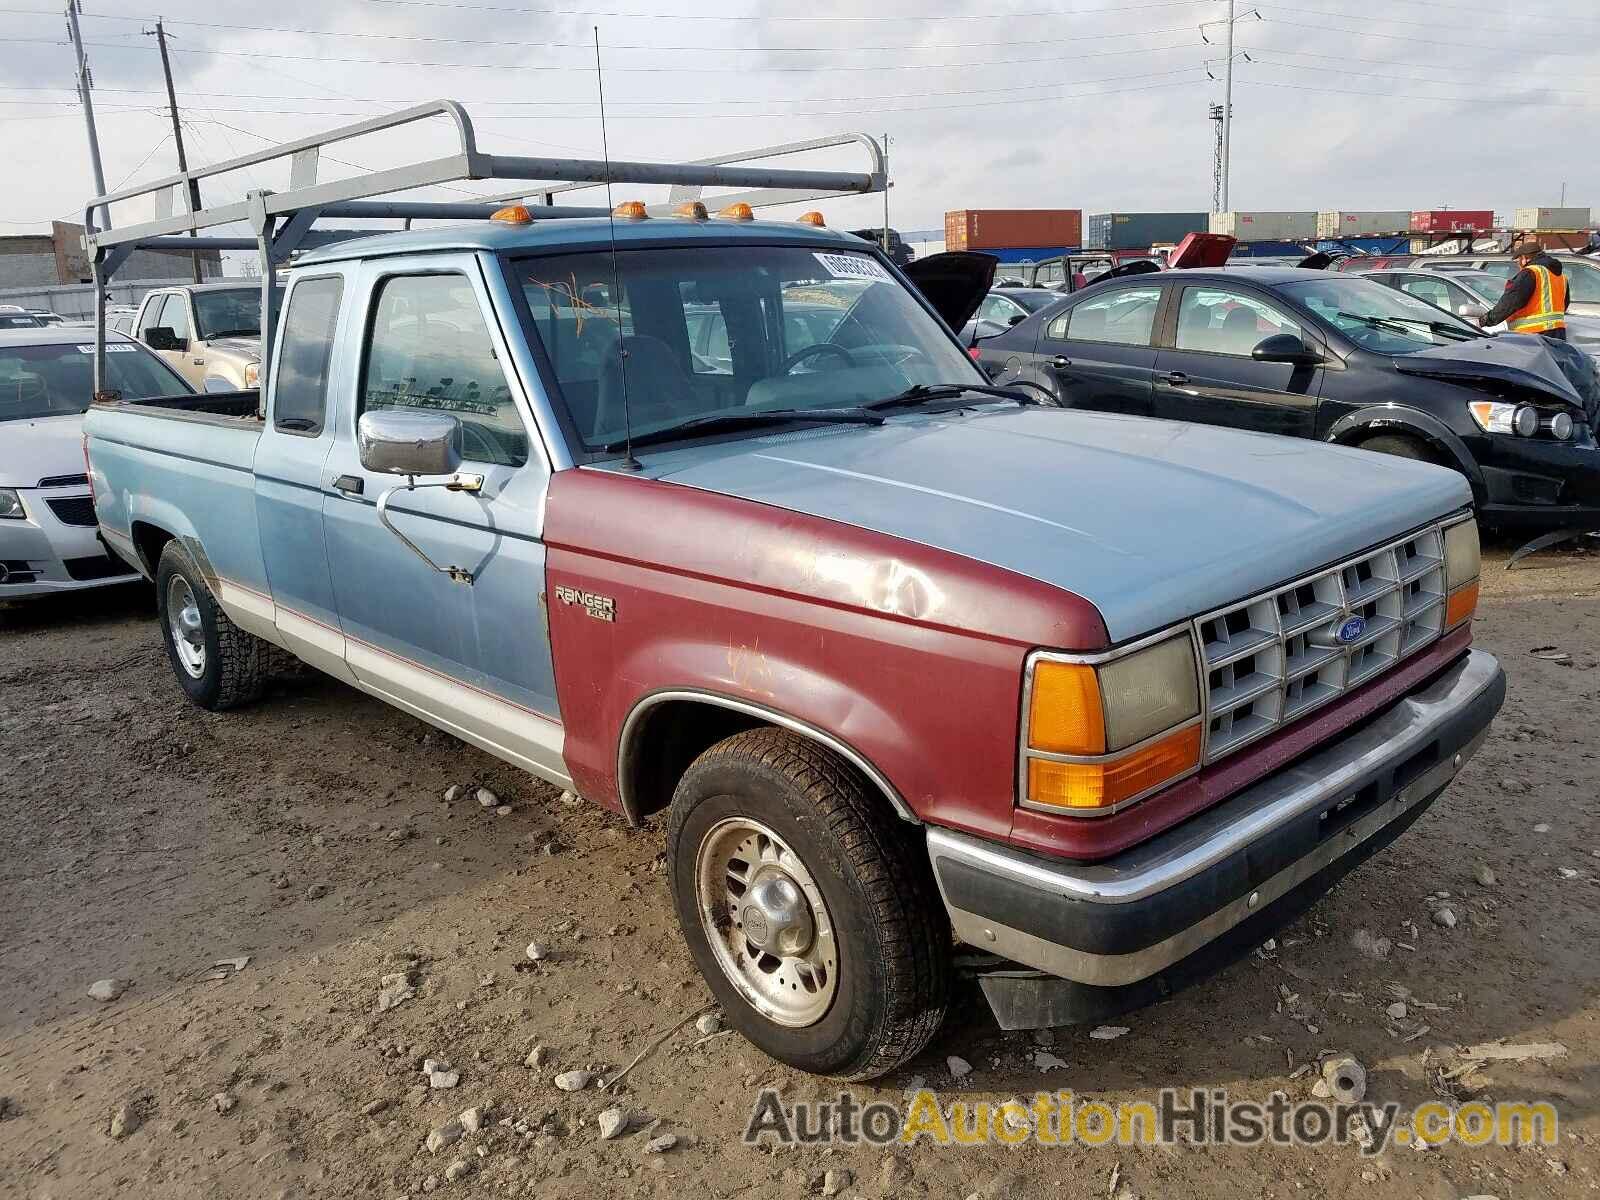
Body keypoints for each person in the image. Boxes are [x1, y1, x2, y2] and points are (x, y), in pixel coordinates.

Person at [1483, 238, 1568, 340]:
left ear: (1524, 258)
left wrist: (1486, 320)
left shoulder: (1530, 272)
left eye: (1518, 260)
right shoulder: (1561, 276)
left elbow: (1510, 302)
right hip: (1558, 333)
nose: (1518, 264)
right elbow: (1565, 304)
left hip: (1533, 334)